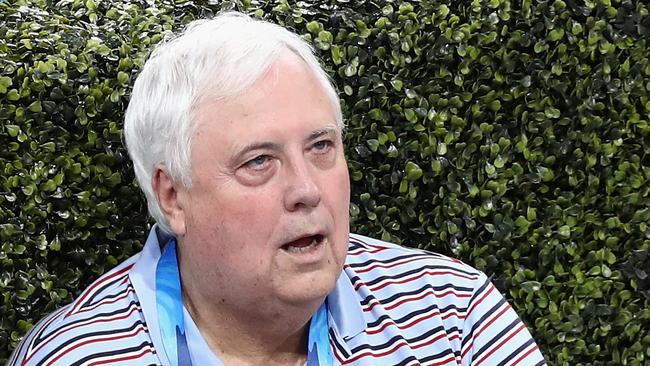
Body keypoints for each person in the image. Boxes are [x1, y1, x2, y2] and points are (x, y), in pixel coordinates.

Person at [8, 11, 546, 366]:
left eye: (321, 147)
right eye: (260, 161)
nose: (307, 190)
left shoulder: (452, 314)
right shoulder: (79, 356)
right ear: (173, 198)